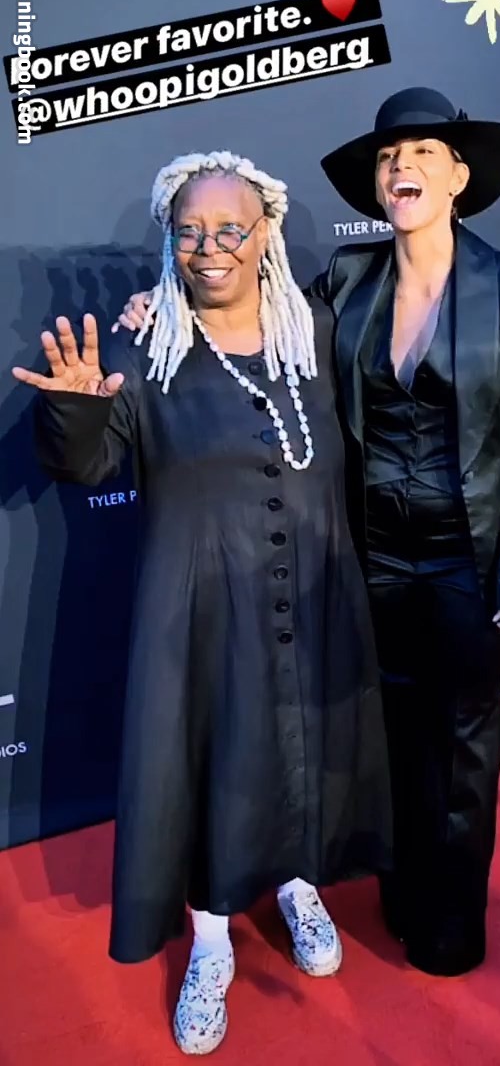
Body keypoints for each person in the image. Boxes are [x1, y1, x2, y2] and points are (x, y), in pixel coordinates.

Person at [117, 86, 500, 979]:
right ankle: (396, 888)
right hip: (368, 559)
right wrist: (155, 306)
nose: (403, 167)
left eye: (424, 154)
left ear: (459, 177)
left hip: (469, 559)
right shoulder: (346, 286)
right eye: (391, 156)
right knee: (387, 734)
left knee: (463, 744)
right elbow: (247, 313)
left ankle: (449, 917)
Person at [13, 150, 392, 1055]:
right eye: (189, 232)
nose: (209, 247)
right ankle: (212, 942)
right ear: (170, 244)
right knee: (210, 763)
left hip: (317, 594)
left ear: (266, 234)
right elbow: (87, 464)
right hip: (200, 614)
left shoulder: (318, 330)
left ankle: (299, 887)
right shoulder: (147, 348)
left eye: (229, 229)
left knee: (307, 751)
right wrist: (73, 409)